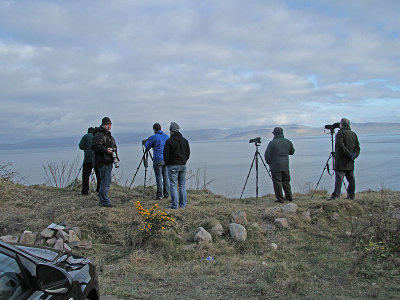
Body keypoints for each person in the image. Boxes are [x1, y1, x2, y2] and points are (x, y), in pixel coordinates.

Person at [328, 118, 360, 200]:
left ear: (341, 125)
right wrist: (354, 155)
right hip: (350, 161)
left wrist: (349, 154)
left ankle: (336, 195)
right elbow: (357, 147)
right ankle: (351, 196)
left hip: (341, 161)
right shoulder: (353, 134)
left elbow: (340, 146)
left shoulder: (340, 134)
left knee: (339, 178)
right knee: (351, 179)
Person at [92, 117, 119, 207]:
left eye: (110, 124)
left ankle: (103, 199)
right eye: (107, 124)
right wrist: (106, 150)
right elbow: (95, 146)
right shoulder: (100, 134)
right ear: (103, 124)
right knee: (106, 181)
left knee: (104, 181)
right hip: (103, 161)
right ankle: (104, 201)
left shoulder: (106, 134)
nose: (109, 126)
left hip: (106, 160)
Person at [264, 127, 295, 203]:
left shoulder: (272, 143)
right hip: (285, 166)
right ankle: (289, 197)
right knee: (286, 181)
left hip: (275, 166)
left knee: (277, 183)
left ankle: (280, 199)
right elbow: (292, 152)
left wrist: (270, 163)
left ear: (274, 134)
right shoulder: (288, 142)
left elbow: (267, 155)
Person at [163, 122, 190, 209]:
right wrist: (184, 161)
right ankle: (183, 205)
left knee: (173, 185)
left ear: (172, 130)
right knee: (182, 185)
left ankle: (175, 205)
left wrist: (167, 164)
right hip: (182, 165)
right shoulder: (185, 141)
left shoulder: (169, 141)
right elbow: (188, 153)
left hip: (172, 166)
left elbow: (166, 155)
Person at [144, 123, 170, 200]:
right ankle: (166, 193)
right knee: (165, 176)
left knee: (158, 177)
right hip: (165, 159)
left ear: (154, 130)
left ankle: (159, 195)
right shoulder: (166, 136)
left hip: (158, 159)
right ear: (160, 128)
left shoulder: (153, 137)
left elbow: (147, 146)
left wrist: (147, 142)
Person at [79, 127, 101, 195]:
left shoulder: (86, 136)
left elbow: (81, 146)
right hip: (97, 158)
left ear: (88, 131)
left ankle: (85, 191)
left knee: (86, 175)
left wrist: (86, 148)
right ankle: (99, 190)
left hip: (88, 158)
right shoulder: (97, 136)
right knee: (99, 175)